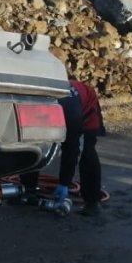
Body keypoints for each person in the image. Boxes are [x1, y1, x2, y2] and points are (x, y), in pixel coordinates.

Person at [21, 78, 106, 217]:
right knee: (34, 142)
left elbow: (71, 149)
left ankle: (92, 202)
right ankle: (29, 190)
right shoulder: (33, 103)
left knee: (87, 151)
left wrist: (64, 183)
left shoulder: (71, 112)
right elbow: (31, 143)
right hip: (56, 106)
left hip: (85, 105)